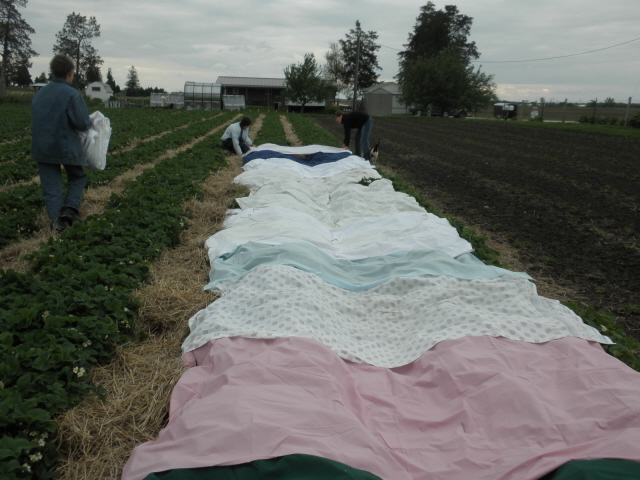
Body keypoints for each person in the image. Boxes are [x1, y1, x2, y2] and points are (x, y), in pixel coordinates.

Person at [31, 54, 93, 232]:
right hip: (65, 145)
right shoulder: (71, 94)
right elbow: (81, 123)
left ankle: (56, 225)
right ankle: (71, 209)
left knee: (51, 187)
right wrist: (90, 122)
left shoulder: (40, 94)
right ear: (70, 72)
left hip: (42, 147)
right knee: (77, 176)